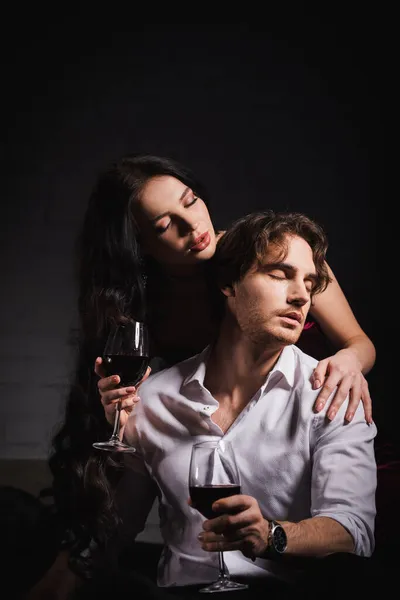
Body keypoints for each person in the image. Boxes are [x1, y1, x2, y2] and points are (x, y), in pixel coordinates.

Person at [26, 154, 376, 597]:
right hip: (194, 423)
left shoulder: (263, 250)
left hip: (303, 410)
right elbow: (123, 496)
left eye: (191, 202)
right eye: (164, 226)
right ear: (139, 246)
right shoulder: (146, 318)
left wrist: (349, 361)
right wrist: (120, 410)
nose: (194, 227)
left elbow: (359, 343)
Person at [96, 210, 378, 597]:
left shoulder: (333, 394)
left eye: (309, 282)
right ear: (228, 283)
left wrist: (272, 534)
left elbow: (353, 532)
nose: (301, 295)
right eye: (279, 274)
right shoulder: (154, 398)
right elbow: (119, 527)